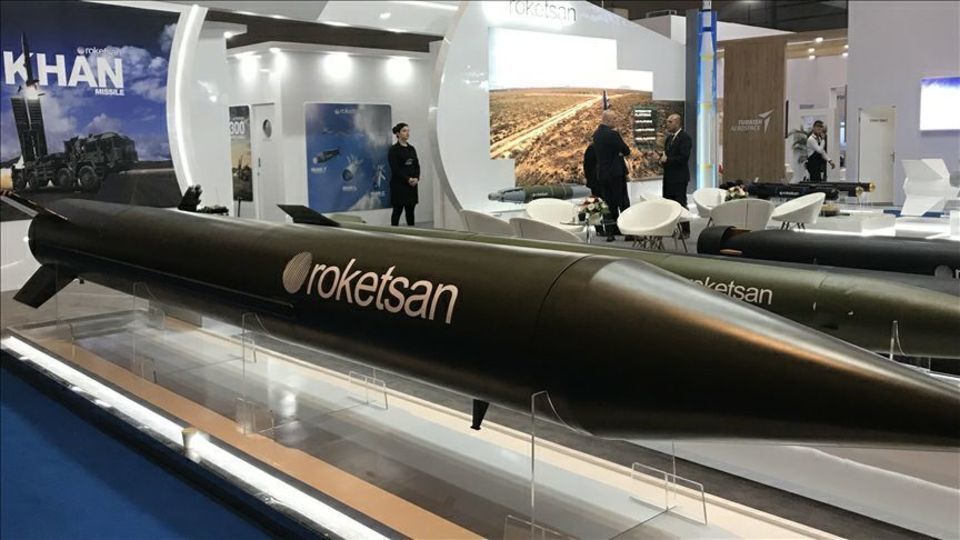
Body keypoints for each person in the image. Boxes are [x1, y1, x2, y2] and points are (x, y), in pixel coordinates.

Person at [592, 109, 631, 241]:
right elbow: (626, 151)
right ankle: (628, 232)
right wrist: (619, 153)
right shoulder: (613, 134)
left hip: (603, 174)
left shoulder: (596, 135)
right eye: (614, 119)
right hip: (616, 173)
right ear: (607, 120)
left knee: (609, 204)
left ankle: (611, 232)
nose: (616, 121)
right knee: (623, 203)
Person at [659, 113, 692, 237]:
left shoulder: (685, 138)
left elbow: (683, 158)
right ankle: (671, 229)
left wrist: (668, 160)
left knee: (680, 204)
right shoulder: (669, 139)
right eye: (667, 121)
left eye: (670, 122)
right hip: (668, 177)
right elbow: (666, 156)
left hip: (679, 178)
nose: (667, 124)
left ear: (677, 122)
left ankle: (685, 230)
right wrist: (661, 159)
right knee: (668, 204)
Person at [388, 122, 419, 226]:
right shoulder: (393, 150)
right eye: (404, 131)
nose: (407, 133)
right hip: (399, 186)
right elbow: (395, 169)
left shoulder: (411, 149)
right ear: (398, 133)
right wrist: (407, 179)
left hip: (411, 186)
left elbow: (416, 165)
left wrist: (416, 178)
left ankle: (411, 233)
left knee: (410, 213)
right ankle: (394, 233)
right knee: (397, 211)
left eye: (408, 131)